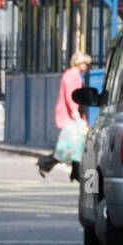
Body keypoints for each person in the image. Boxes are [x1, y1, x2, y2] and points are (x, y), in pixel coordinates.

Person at [37, 51, 90, 182]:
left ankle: (75, 173)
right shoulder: (72, 76)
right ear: (78, 62)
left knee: (76, 145)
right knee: (69, 146)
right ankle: (45, 163)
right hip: (70, 115)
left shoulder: (73, 75)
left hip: (73, 114)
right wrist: (74, 111)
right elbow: (71, 95)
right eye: (85, 63)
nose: (87, 66)